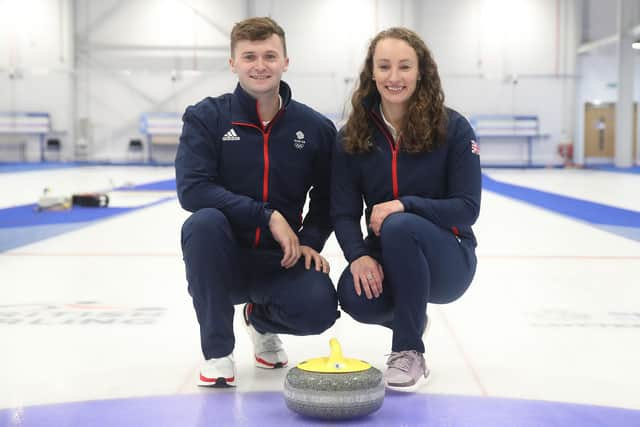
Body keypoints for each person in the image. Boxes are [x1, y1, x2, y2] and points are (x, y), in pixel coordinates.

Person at [176, 17, 338, 388]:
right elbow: (193, 189)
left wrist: (311, 241)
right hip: (222, 259)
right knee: (201, 223)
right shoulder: (207, 117)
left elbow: (329, 197)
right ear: (233, 63)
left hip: (282, 259)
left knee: (319, 308)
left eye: (269, 55)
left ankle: (259, 321)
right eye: (249, 56)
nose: (260, 65)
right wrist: (266, 216)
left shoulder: (313, 128)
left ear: (286, 61)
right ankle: (217, 353)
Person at [331, 27, 481, 392]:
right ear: (372, 73)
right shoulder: (353, 136)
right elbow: (343, 212)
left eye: (404, 67)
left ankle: (409, 350)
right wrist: (358, 256)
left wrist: (405, 205)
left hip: (449, 258)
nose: (394, 77)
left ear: (421, 72)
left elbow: (467, 208)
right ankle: (411, 319)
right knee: (353, 296)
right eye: (384, 67)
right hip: (388, 254)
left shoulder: (454, 128)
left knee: (399, 224)